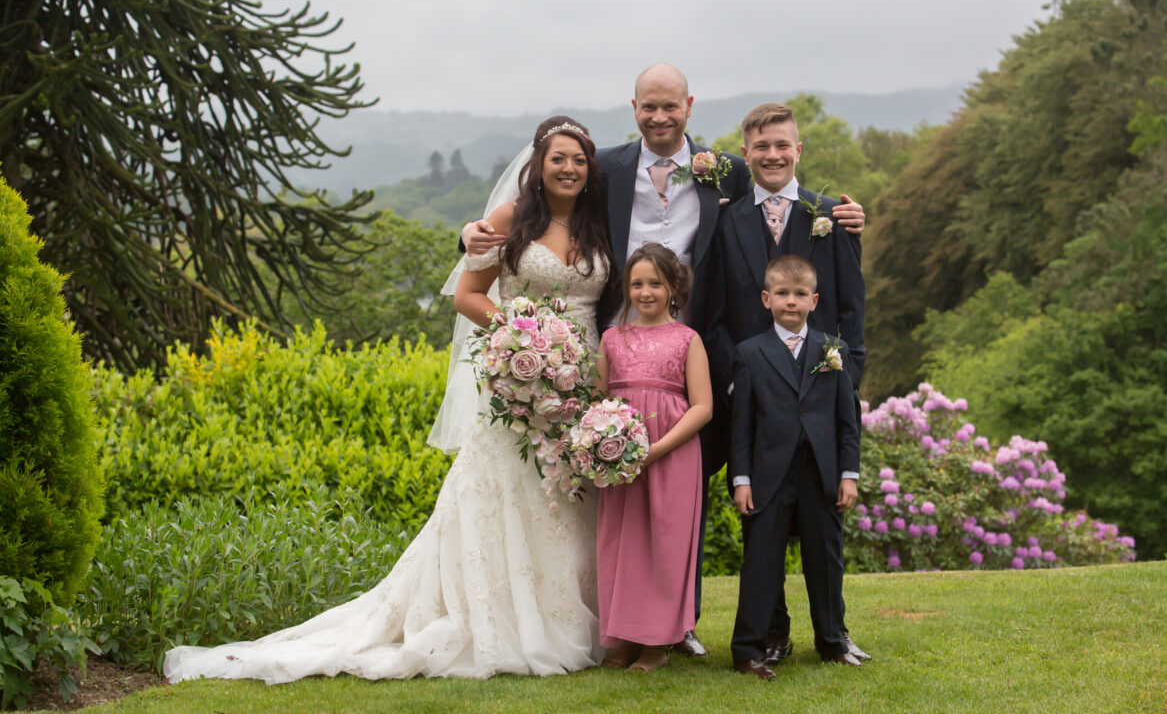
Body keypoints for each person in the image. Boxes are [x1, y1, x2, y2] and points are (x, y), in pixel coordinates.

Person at [163, 116, 614, 684]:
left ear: (589, 168)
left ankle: (581, 617)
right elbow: (467, 295)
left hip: (584, 381)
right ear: (538, 166)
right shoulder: (507, 221)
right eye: (558, 159)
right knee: (511, 492)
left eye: (578, 160)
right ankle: (506, 620)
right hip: (521, 379)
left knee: (569, 500)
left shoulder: (600, 223)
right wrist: (523, 337)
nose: (569, 168)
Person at [463, 64, 867, 658]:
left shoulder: (723, 168)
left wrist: (846, 213)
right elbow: (544, 204)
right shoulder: (608, 169)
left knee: (686, 493)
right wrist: (471, 239)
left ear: (689, 106)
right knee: (612, 489)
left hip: (699, 348)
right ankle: (616, 620)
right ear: (634, 109)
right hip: (614, 347)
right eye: (648, 107)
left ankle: (682, 624)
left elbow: (780, 187)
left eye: (669, 106)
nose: (659, 116)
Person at [708, 102, 869, 665]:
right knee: (763, 534)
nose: (772, 155)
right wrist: (735, 385)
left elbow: (850, 306)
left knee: (827, 534)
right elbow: (717, 313)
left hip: (822, 401)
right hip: (753, 405)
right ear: (745, 152)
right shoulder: (726, 222)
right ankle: (770, 633)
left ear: (798, 150)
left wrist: (848, 381)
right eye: (761, 146)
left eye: (782, 145)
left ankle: (836, 634)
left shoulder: (832, 215)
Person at [728, 255, 860, 681]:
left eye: (800, 294)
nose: (791, 301)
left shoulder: (833, 351)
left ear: (814, 300)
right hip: (768, 476)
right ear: (767, 299)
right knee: (761, 564)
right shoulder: (749, 353)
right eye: (782, 294)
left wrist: (848, 474)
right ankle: (749, 650)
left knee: (825, 561)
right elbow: (742, 424)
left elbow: (847, 421)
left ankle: (832, 642)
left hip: (821, 476)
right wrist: (741, 479)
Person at [593, 244, 712, 672]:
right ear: (626, 288)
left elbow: (702, 406)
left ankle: (658, 644)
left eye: (655, 283)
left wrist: (657, 449)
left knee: (664, 543)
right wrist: (602, 441)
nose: (645, 292)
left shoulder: (688, 339)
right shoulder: (612, 337)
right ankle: (623, 638)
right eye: (637, 283)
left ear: (674, 287)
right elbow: (597, 398)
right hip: (621, 457)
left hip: (671, 452)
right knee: (620, 542)